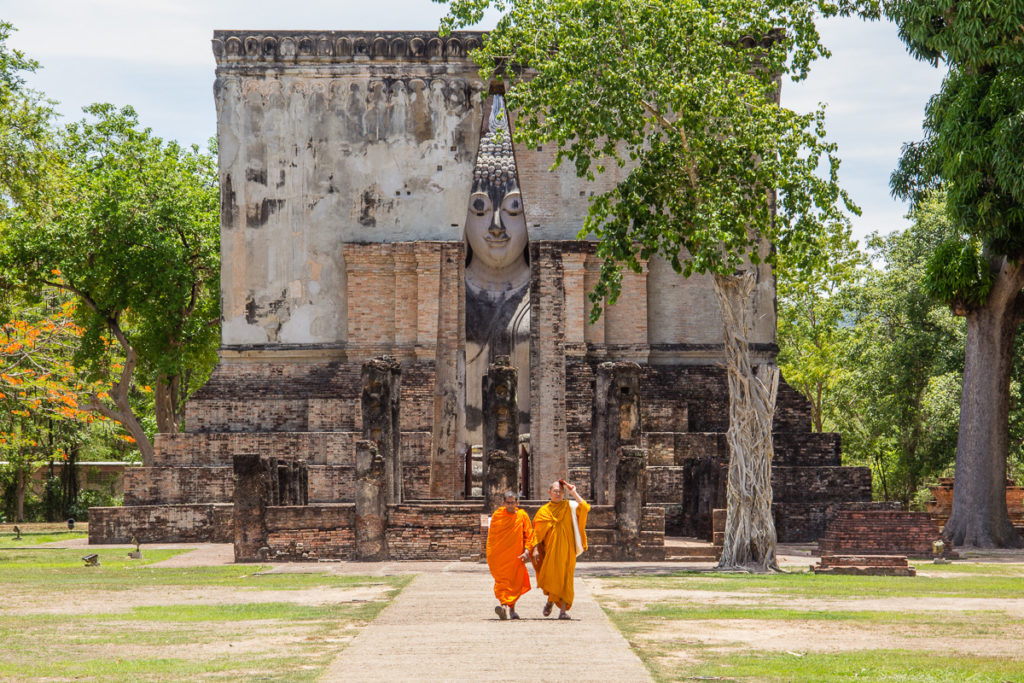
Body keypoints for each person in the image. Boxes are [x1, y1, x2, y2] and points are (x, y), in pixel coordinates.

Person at [531, 479, 590, 620]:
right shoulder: (543, 512)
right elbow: (537, 533)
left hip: (567, 551)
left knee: (566, 579)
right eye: (555, 491)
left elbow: (585, 508)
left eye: (561, 492)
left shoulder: (569, 506)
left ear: (564, 493)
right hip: (551, 552)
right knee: (552, 578)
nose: (558, 494)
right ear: (549, 492)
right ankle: (550, 601)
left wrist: (573, 492)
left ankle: (563, 611)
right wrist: (535, 549)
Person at [486, 490, 535, 620]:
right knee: (502, 582)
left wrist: (526, 551)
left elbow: (529, 535)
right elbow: (492, 538)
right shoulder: (498, 515)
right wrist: (491, 555)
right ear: (503, 503)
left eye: (513, 503)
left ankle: (512, 609)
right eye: (508, 503)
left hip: (516, 556)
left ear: (517, 503)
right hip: (500, 556)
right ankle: (504, 607)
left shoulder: (522, 516)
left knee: (514, 583)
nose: (510, 505)